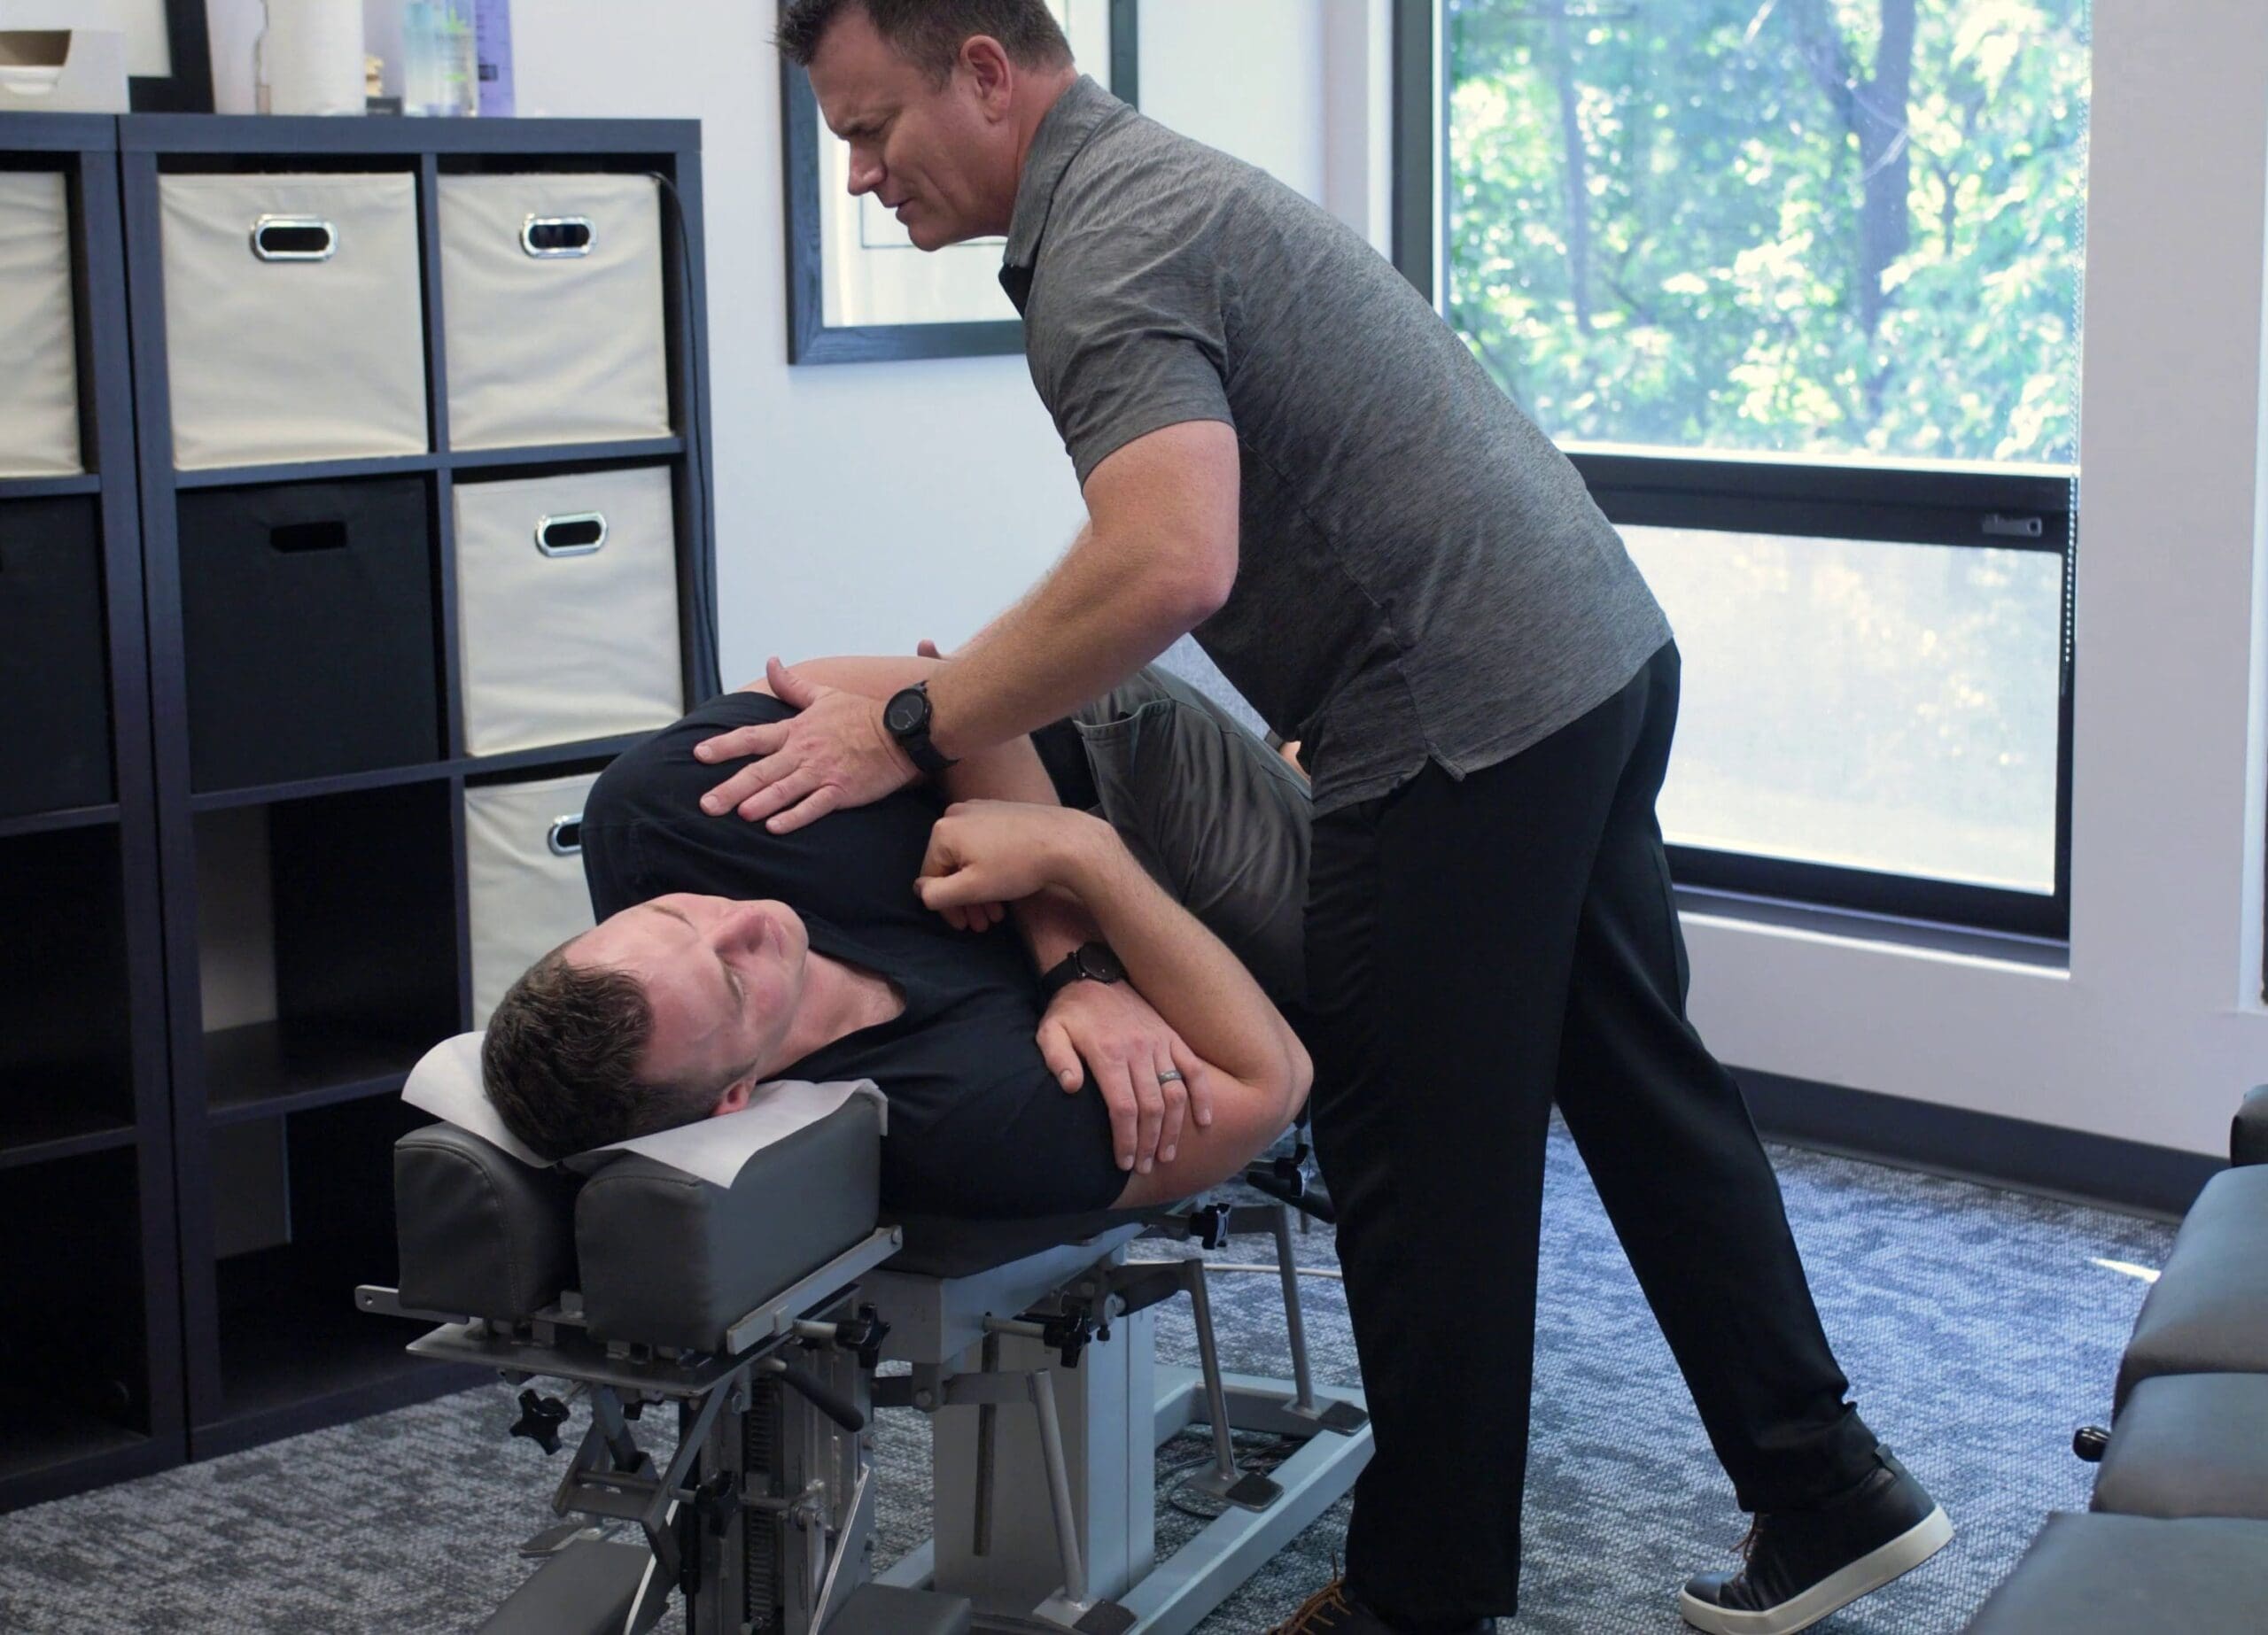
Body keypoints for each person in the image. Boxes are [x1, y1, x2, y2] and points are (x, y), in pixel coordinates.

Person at [724, 4, 1955, 1633]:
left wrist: (912, 723)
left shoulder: (1104, 252)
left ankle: (1416, 1602)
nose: (864, 172)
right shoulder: (1155, 191)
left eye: (874, 128)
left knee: (1416, 1169)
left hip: (1456, 716)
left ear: (987, 71)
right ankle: (1825, 1480)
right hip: (1585, 651)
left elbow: (1168, 563)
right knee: (1641, 1086)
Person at [480, 657, 1313, 1219]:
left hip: (1121, 753)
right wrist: (1078, 854)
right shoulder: (953, 1117)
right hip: (1229, 953)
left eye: (674, 916)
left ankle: (1314, 777)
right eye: (733, 981)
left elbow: (956, 687)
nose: (745, 919)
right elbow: (1269, 1085)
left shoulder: (656, 820)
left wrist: (1078, 966)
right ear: (734, 1094)